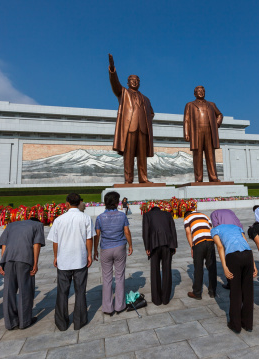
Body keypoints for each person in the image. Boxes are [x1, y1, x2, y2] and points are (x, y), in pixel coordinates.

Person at [48, 193, 94, 330]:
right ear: (79, 203)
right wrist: (89, 255)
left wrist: (56, 256)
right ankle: (79, 322)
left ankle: (61, 323)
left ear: (67, 204)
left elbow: (55, 242)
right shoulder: (85, 218)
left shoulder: (59, 220)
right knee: (80, 291)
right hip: (80, 259)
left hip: (64, 260)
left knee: (62, 292)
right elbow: (89, 239)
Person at [108, 54, 154, 184]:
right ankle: (128, 180)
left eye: (137, 80)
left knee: (142, 156)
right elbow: (115, 84)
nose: (134, 81)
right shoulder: (123, 92)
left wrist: (147, 121)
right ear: (128, 83)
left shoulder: (146, 99)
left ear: (139, 82)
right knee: (128, 156)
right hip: (129, 128)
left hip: (143, 129)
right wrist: (112, 69)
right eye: (131, 80)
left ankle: (143, 178)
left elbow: (151, 113)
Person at [0, 218, 45, 330]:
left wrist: (2, 263)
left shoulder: (11, 225)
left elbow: (4, 244)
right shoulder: (38, 225)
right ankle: (24, 321)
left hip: (8, 259)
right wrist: (35, 263)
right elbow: (36, 244)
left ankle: (10, 323)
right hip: (25, 259)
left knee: (8, 291)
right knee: (25, 290)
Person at [211, 223, 257, 333]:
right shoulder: (236, 227)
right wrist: (254, 265)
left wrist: (225, 267)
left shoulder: (215, 230)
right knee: (248, 291)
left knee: (235, 292)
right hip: (247, 255)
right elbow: (246, 243)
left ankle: (235, 325)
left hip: (233, 256)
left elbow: (220, 247)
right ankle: (247, 324)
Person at [94, 191, 133, 315]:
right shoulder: (122, 216)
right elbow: (126, 231)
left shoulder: (100, 217)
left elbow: (97, 235)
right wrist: (130, 245)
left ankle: (107, 307)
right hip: (120, 247)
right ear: (117, 203)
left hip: (106, 248)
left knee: (107, 278)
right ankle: (120, 306)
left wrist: (95, 249)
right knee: (120, 276)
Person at [183, 85, 223, 182]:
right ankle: (198, 178)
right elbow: (186, 120)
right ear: (195, 93)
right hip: (196, 133)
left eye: (202, 91)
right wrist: (186, 133)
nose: (201, 92)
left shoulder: (211, 105)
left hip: (209, 133)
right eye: (199, 91)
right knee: (197, 156)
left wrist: (216, 124)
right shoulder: (190, 105)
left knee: (211, 156)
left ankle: (213, 177)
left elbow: (220, 115)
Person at [142, 205, 177, 306]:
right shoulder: (167, 214)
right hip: (167, 245)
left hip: (154, 245)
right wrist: (173, 245)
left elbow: (145, 232)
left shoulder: (147, 215)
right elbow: (173, 230)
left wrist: (147, 247)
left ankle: (157, 300)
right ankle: (165, 299)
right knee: (167, 271)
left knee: (155, 271)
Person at [184, 210, 217, 299]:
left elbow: (188, 232)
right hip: (210, 242)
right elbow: (211, 229)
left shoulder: (187, 218)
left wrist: (192, 247)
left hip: (199, 243)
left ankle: (197, 293)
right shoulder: (205, 215)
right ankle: (212, 291)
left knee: (198, 268)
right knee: (212, 267)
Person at [210, 209, 244, 290]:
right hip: (237, 233)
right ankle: (241, 280)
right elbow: (238, 222)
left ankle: (231, 283)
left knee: (229, 259)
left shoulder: (213, 213)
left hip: (226, 237)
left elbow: (216, 226)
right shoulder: (230, 211)